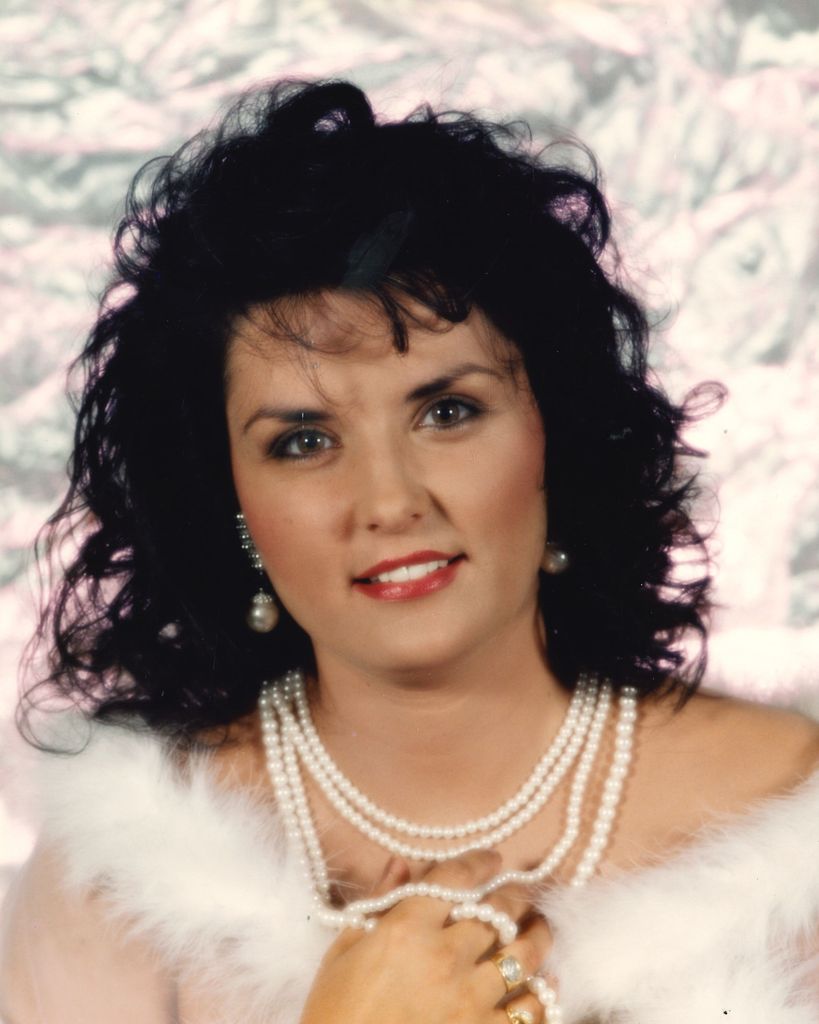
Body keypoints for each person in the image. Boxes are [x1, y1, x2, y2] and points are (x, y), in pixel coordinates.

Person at [1, 78, 818, 1024]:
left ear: (555, 436)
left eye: (448, 412)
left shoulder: (790, 823)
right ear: (225, 500)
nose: (389, 502)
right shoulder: (125, 864)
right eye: (303, 441)